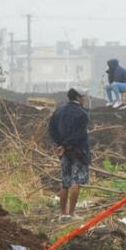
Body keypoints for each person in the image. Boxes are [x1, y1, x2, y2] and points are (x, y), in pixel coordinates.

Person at [48, 88, 90, 222]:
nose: (84, 99)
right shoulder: (82, 113)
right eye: (83, 96)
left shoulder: (58, 111)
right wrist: (66, 145)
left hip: (64, 152)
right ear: (78, 98)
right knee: (76, 180)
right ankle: (72, 214)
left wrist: (61, 145)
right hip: (78, 151)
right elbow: (80, 134)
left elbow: (51, 130)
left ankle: (63, 214)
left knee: (65, 181)